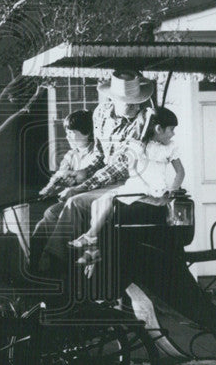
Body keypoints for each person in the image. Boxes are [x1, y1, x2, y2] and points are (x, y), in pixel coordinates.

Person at [30, 70, 153, 273]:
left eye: (137, 102)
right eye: (128, 102)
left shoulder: (142, 123)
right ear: (113, 99)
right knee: (52, 213)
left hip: (127, 183)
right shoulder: (101, 114)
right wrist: (82, 173)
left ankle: (55, 265)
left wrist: (80, 188)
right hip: (102, 181)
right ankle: (34, 264)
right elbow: (99, 154)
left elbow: (120, 166)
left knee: (75, 203)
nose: (134, 107)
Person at [69, 106, 185, 257]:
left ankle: (91, 238)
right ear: (158, 129)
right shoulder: (138, 146)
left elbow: (180, 172)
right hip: (138, 185)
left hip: (156, 189)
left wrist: (172, 191)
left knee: (110, 204)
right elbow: (131, 168)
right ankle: (92, 240)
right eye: (171, 129)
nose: (173, 133)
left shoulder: (169, 148)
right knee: (99, 203)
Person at [38, 110, 98, 198]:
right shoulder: (70, 155)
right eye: (66, 133)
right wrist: (50, 187)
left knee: (51, 212)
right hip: (70, 195)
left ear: (87, 133)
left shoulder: (96, 153)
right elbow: (60, 174)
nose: (67, 137)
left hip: (89, 195)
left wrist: (76, 181)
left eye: (70, 133)